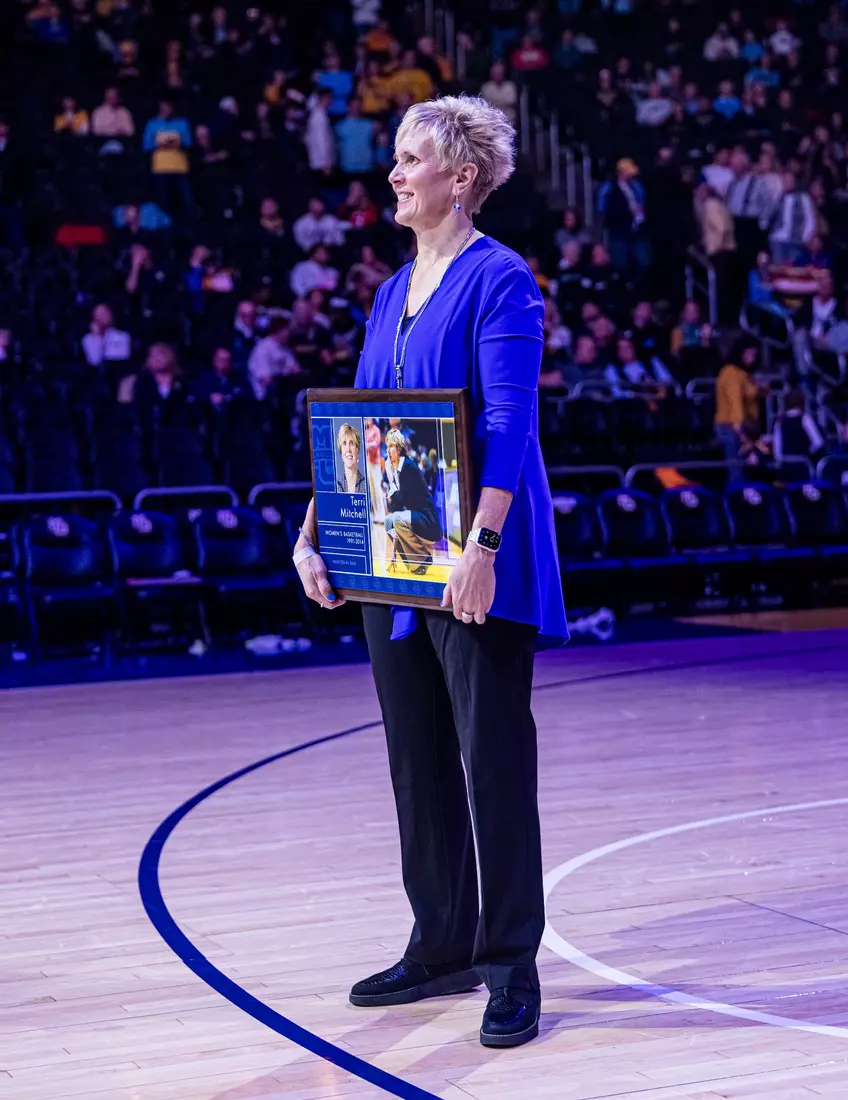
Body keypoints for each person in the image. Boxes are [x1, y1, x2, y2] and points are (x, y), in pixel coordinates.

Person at [293, 93, 567, 1048]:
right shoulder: (387, 288)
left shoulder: (502, 279)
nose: (395, 175)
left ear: (461, 176)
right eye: (398, 160)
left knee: (494, 764)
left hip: (475, 556)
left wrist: (485, 550)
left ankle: (510, 966)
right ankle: (440, 941)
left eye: (411, 160)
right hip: (392, 551)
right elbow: (360, 426)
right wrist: (315, 528)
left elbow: (507, 424)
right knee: (417, 761)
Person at [381, 427, 442, 572]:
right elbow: (396, 506)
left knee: (396, 520)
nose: (388, 450)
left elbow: (400, 500)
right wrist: (393, 554)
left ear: (400, 448)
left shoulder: (408, 467)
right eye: (387, 446)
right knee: (388, 522)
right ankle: (412, 562)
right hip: (415, 518)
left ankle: (423, 559)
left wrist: (392, 491)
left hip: (427, 521)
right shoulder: (395, 469)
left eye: (392, 446)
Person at [715, 339, 762, 460]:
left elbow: (749, 393)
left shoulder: (744, 374)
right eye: (748, 353)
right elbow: (734, 399)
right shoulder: (731, 372)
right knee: (736, 466)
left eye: (754, 354)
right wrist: (738, 425)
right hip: (731, 425)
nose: (752, 357)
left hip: (744, 426)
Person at [336, 422, 367, 493]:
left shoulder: (367, 485)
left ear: (357, 450)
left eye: (351, 443)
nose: (348, 449)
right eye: (344, 443)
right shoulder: (337, 486)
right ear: (341, 453)